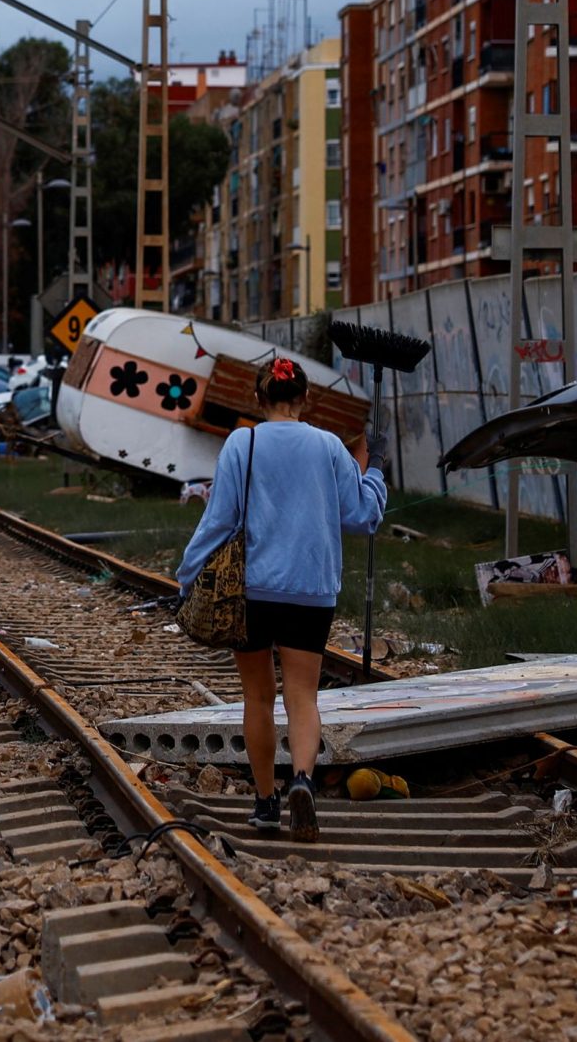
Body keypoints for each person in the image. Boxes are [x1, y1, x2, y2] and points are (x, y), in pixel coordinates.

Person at [175, 354, 385, 843]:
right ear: (305, 399)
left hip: (252, 591)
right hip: (311, 592)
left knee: (257, 696)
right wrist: (375, 473)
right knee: (302, 696)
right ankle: (304, 780)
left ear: (258, 398)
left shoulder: (241, 443)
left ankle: (266, 802)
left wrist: (188, 577)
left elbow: (219, 521)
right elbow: (361, 517)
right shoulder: (329, 446)